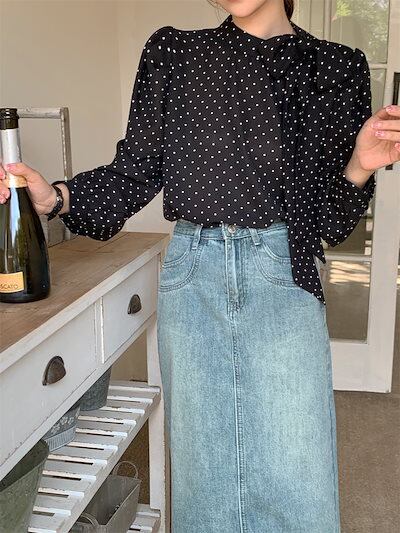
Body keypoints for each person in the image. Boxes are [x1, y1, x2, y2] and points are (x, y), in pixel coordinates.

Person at [1, 1, 399, 531]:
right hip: (193, 275)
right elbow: (133, 173)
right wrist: (54, 198)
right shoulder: (175, 51)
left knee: (297, 466)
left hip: (284, 273)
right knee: (204, 468)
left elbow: (328, 221)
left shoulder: (335, 65)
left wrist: (359, 165)